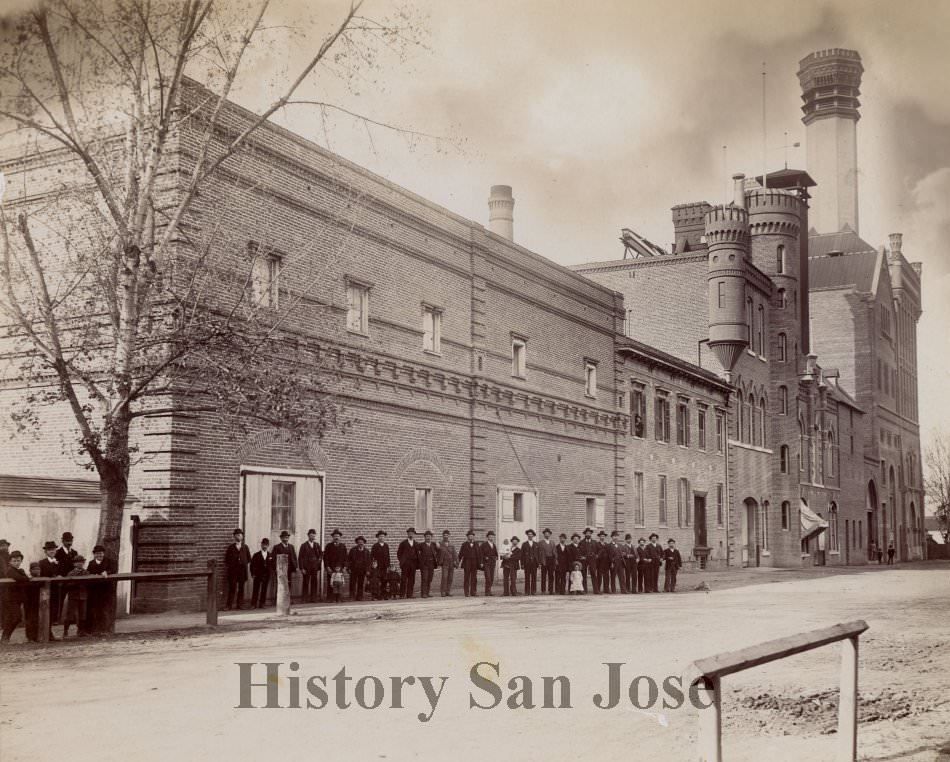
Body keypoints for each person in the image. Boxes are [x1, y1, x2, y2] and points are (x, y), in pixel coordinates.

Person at [1, 551, 33, 643]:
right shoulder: (10, 571)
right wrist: (26, 579)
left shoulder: (21, 571)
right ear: (10, 562)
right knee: (15, 617)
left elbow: (24, 579)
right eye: (14, 561)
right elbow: (22, 578)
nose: (16, 563)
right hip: (10, 598)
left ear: (21, 561)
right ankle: (5, 637)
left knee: (15, 617)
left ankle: (5, 637)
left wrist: (25, 579)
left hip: (18, 598)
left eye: (18, 561)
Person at [85, 545, 115, 634]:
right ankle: (95, 630)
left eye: (101, 553)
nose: (100, 555)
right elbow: (88, 573)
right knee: (94, 610)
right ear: (94, 554)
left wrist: (107, 572)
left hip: (106, 590)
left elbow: (113, 570)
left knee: (104, 610)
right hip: (94, 590)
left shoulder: (109, 561)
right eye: (97, 553)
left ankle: (105, 629)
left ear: (104, 553)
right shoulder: (91, 563)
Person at [223, 528, 251, 611]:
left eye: (240, 535)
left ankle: (240, 605)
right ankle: (229, 605)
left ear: (242, 536)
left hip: (242, 571)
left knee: (241, 588)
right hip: (233, 571)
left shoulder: (245, 547)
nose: (238, 536)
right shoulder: (231, 547)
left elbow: (249, 558)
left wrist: (243, 563)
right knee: (232, 587)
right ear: (234, 536)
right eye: (236, 535)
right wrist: (233, 565)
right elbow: (226, 560)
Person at [62, 555, 88, 638]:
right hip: (73, 596)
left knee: (83, 614)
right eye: (77, 562)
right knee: (70, 614)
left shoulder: (86, 572)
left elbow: (89, 583)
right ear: (74, 564)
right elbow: (67, 584)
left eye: (81, 562)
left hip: (83, 596)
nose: (80, 564)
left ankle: (81, 631)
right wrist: (76, 582)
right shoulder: (70, 573)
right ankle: (65, 631)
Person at [298, 529, 323, 603]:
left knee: (314, 582)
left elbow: (321, 555)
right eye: (311, 535)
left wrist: (319, 561)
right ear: (308, 536)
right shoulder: (304, 545)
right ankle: (304, 598)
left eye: (314, 535)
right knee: (306, 582)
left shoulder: (317, 545)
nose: (312, 537)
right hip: (306, 567)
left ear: (315, 536)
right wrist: (302, 568)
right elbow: (300, 557)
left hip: (314, 567)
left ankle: (313, 598)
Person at [249, 538, 273, 609]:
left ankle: (262, 603)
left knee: (264, 589)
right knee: (256, 589)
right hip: (258, 575)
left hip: (266, 575)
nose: (264, 546)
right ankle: (253, 604)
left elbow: (272, 565)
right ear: (261, 545)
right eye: (263, 545)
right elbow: (252, 565)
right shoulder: (256, 555)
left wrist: (271, 572)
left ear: (268, 545)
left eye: (266, 545)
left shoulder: (270, 555)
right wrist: (253, 573)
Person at [323, 530, 347, 600]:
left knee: (340, 583)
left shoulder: (343, 546)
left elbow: (345, 557)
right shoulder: (328, 546)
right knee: (331, 583)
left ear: (340, 537)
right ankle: (330, 598)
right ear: (332, 537)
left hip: (340, 569)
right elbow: (325, 557)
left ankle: (339, 598)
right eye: (335, 536)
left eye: (338, 536)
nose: (336, 537)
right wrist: (327, 567)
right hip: (331, 568)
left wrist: (345, 567)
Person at [347, 536, 371, 601]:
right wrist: (348, 568)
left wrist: (368, 570)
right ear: (357, 542)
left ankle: (359, 596)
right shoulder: (353, 550)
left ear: (364, 543)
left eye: (362, 542)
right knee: (352, 583)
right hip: (354, 569)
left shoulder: (366, 551)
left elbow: (369, 561)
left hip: (362, 570)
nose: (360, 543)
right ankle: (352, 596)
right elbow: (349, 560)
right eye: (359, 542)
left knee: (361, 583)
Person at [416, 531, 439, 598]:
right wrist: (420, 561)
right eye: (426, 536)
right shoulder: (421, 545)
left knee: (429, 579)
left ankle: (427, 593)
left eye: (429, 536)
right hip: (424, 564)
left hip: (431, 564)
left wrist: (438, 546)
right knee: (424, 578)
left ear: (431, 537)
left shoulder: (433, 545)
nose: (428, 538)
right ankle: (423, 593)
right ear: (424, 537)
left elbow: (439, 550)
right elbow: (416, 551)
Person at [457, 530, 480, 597]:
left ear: (473, 537)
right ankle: (466, 592)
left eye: (472, 536)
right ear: (467, 537)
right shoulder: (464, 545)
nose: (471, 537)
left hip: (474, 563)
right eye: (469, 536)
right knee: (466, 577)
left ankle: (473, 592)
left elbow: (479, 554)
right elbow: (460, 554)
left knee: (474, 578)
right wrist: (458, 562)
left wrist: (480, 562)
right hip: (467, 562)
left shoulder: (476, 544)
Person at [397, 528, 418, 599]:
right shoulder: (403, 543)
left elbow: (418, 553)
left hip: (413, 563)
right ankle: (402, 594)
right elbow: (399, 553)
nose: (411, 534)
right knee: (403, 579)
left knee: (412, 579)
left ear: (414, 534)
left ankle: (410, 594)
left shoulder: (416, 543)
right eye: (409, 533)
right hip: (405, 564)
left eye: (412, 533)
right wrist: (403, 561)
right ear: (407, 534)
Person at [370, 531, 391, 600]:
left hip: (384, 566)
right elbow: (372, 556)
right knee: (377, 581)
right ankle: (376, 595)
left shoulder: (386, 546)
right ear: (378, 537)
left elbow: (388, 556)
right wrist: (373, 565)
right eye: (380, 536)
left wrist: (388, 565)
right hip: (378, 566)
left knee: (384, 580)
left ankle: (384, 595)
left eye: (383, 536)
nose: (381, 538)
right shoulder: (375, 546)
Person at [521, 529, 540, 595]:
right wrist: (522, 564)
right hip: (527, 563)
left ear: (533, 536)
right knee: (527, 577)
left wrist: (539, 563)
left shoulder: (536, 544)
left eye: (531, 535)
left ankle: (533, 591)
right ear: (527, 536)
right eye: (529, 535)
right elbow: (522, 555)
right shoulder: (524, 544)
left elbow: (538, 554)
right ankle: (527, 591)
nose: (530, 536)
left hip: (534, 563)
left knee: (534, 577)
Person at [437, 530, 457, 597]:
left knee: (450, 578)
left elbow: (455, 554)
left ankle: (448, 591)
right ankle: (443, 592)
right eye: (444, 535)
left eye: (447, 535)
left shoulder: (452, 545)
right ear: (442, 536)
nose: (446, 536)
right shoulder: (440, 544)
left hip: (451, 563)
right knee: (444, 577)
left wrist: (456, 561)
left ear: (449, 536)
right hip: (444, 563)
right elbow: (436, 550)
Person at [480, 531, 499, 596]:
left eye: (492, 537)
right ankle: (487, 592)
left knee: (491, 578)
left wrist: (496, 558)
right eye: (490, 537)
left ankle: (489, 591)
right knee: (488, 577)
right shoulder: (484, 545)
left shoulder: (494, 545)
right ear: (487, 537)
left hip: (492, 563)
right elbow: (481, 554)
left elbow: (496, 554)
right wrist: (482, 562)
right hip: (486, 563)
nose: (491, 538)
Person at [578, 527, 596, 592]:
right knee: (584, 574)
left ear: (591, 534)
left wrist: (595, 555)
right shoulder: (581, 542)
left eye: (589, 533)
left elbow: (599, 550)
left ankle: (595, 590)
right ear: (585, 534)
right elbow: (578, 551)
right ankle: (584, 589)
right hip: (584, 560)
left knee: (593, 574)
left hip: (592, 560)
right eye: (587, 533)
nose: (588, 534)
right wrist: (581, 556)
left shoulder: (594, 542)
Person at [539, 528, 557, 595]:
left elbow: (555, 552)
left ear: (550, 535)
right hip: (544, 560)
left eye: (548, 533)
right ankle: (543, 590)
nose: (547, 535)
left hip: (551, 560)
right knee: (543, 575)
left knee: (551, 575)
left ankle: (551, 590)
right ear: (544, 534)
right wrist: (540, 563)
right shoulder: (540, 543)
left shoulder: (552, 542)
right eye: (545, 533)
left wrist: (555, 561)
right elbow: (539, 554)